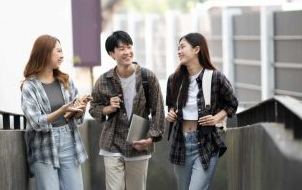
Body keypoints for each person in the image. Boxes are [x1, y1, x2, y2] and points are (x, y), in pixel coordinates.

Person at [89, 30, 165, 190]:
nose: (127, 52)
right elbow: (93, 108)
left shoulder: (147, 77)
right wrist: (108, 108)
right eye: (121, 48)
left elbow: (158, 110)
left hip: (139, 142)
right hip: (112, 142)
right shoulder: (104, 80)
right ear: (112, 54)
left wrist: (151, 138)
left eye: (129, 47)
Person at [166, 32, 238, 190]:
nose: (179, 51)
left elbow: (232, 103)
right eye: (178, 48)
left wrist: (215, 118)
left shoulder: (216, 77)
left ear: (196, 49)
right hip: (181, 143)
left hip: (206, 143)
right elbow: (170, 105)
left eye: (182, 47)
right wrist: (171, 113)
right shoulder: (174, 79)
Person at [20, 34, 90, 190]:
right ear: (45, 53)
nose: (62, 55)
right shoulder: (30, 87)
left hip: (68, 140)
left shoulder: (65, 81)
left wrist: (79, 109)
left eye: (62, 51)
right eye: (58, 51)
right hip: (43, 145)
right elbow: (36, 122)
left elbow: (76, 119)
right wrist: (62, 110)